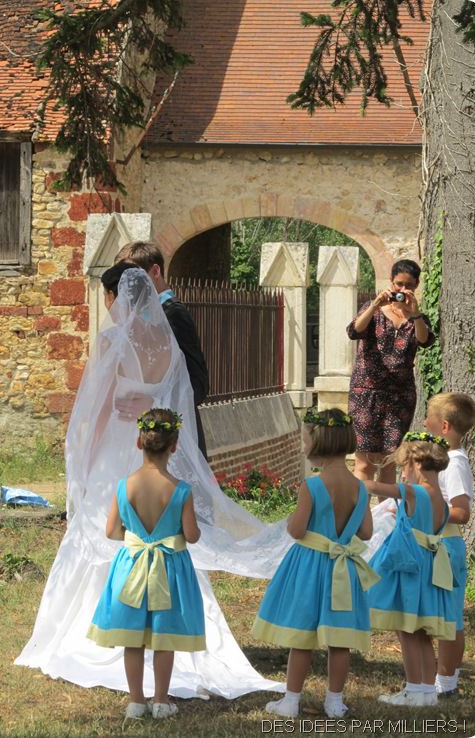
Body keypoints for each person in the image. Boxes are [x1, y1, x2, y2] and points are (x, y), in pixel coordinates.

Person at [16, 266, 291, 700]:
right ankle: (168, 628)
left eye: (107, 297)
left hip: (117, 451)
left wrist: (85, 464)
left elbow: (99, 408)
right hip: (155, 446)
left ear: (115, 296)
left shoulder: (113, 341)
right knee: (162, 533)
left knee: (104, 531)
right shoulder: (166, 343)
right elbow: (175, 400)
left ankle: (99, 626)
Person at [252, 408, 377, 719]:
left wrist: (293, 520)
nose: (302, 445)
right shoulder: (359, 486)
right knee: (340, 639)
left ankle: (291, 700)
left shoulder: (313, 485)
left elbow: (297, 530)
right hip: (342, 569)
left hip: (309, 566)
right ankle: (335, 701)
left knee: (301, 635)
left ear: (318, 443)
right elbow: (366, 531)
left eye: (304, 439)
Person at [87, 409, 206, 719]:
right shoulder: (181, 491)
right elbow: (191, 536)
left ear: (139, 443)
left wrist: (136, 534)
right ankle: (162, 700)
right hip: (169, 570)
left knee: (133, 638)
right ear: (174, 445)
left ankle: (136, 700)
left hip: (133, 567)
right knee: (164, 638)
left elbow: (112, 530)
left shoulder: (124, 486)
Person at [366, 432, 456, 707]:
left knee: (407, 630)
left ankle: (414, 689)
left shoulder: (414, 492)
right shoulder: (440, 499)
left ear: (416, 463)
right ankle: (427, 692)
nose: (402, 474)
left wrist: (347, 480)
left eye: (404, 467)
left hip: (410, 568)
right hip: (429, 566)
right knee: (422, 634)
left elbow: (375, 488)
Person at [112, 240, 209, 457]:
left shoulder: (173, 314)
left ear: (155, 271)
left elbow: (197, 383)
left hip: (174, 441)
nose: (128, 285)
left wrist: (153, 402)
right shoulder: (138, 319)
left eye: (134, 276)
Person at [347, 259, 435, 485]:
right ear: (390, 282)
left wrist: (414, 314)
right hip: (366, 394)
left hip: (400, 397)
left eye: (409, 286)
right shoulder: (373, 310)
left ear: (416, 286)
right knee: (365, 462)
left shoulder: (417, 319)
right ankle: (360, 516)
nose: (402, 290)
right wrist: (376, 304)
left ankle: (385, 518)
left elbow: (424, 340)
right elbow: (355, 330)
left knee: (388, 461)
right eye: (398, 284)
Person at [423, 393, 475, 698]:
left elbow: (461, 511)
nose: (423, 423)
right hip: (436, 546)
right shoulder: (444, 461)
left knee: (451, 619)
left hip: (447, 547)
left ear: (443, 426)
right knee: (443, 616)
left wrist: (429, 515)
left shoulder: (454, 463)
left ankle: (447, 684)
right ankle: (439, 680)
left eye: (428, 419)